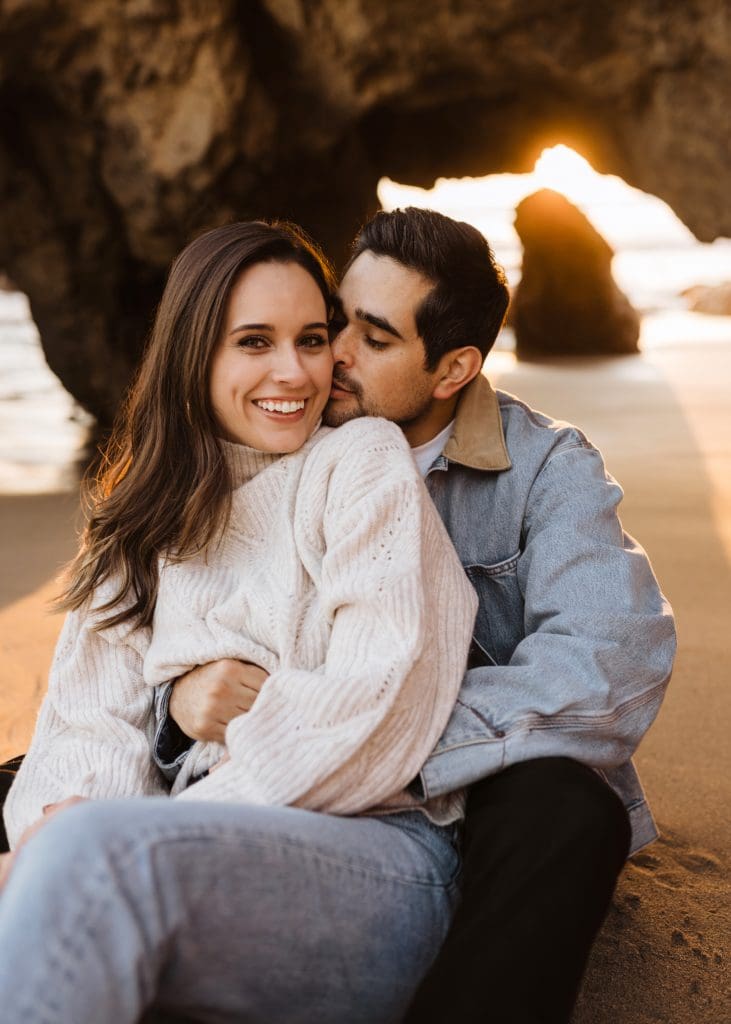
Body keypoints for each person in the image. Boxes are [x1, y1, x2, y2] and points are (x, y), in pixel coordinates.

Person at [158, 207, 676, 1023]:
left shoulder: (543, 468)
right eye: (336, 323)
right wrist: (176, 704)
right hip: (272, 775)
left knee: (570, 810)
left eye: (374, 336)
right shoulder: (273, 435)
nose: (330, 359)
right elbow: (159, 625)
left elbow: (610, 660)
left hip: (475, 786)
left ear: (452, 368)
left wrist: (380, 737)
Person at [0, 220, 479, 1023]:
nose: (293, 371)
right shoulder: (136, 521)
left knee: (88, 862)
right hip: (178, 860)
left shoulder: (359, 463)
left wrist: (131, 838)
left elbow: (378, 703)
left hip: (377, 863)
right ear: (196, 355)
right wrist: (67, 826)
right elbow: (87, 728)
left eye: (312, 338)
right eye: (253, 341)